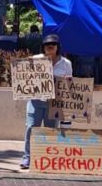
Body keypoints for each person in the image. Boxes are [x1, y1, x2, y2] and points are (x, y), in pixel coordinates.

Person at [20, 34, 72, 170]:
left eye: (53, 44)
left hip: (53, 103)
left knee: (50, 131)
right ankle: (27, 158)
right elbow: (25, 76)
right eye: (47, 45)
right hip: (35, 101)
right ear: (43, 47)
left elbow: (69, 84)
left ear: (57, 47)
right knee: (31, 129)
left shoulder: (66, 64)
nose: (50, 47)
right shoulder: (35, 60)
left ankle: (47, 159)